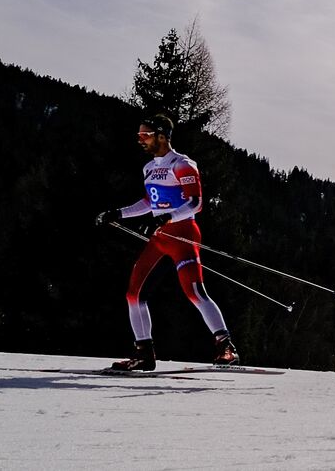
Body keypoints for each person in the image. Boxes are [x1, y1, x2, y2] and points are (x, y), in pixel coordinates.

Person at [97, 114, 237, 370]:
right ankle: (144, 354)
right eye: (139, 135)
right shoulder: (148, 168)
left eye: (145, 135)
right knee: (133, 294)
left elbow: (196, 203)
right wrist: (118, 213)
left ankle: (225, 346)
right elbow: (150, 203)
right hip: (162, 238)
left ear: (162, 136)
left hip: (183, 234)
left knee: (195, 292)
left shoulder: (182, 164)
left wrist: (167, 217)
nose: (140, 140)